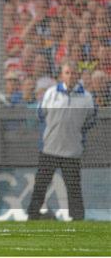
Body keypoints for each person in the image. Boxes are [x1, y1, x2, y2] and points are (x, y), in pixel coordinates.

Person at [27, 60, 96, 220]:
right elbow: (41, 114)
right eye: (67, 72)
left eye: (73, 73)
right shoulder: (51, 93)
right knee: (41, 184)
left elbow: (90, 120)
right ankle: (33, 214)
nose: (70, 76)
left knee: (73, 187)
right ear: (61, 75)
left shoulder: (87, 98)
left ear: (78, 75)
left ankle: (77, 217)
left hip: (72, 150)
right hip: (49, 149)